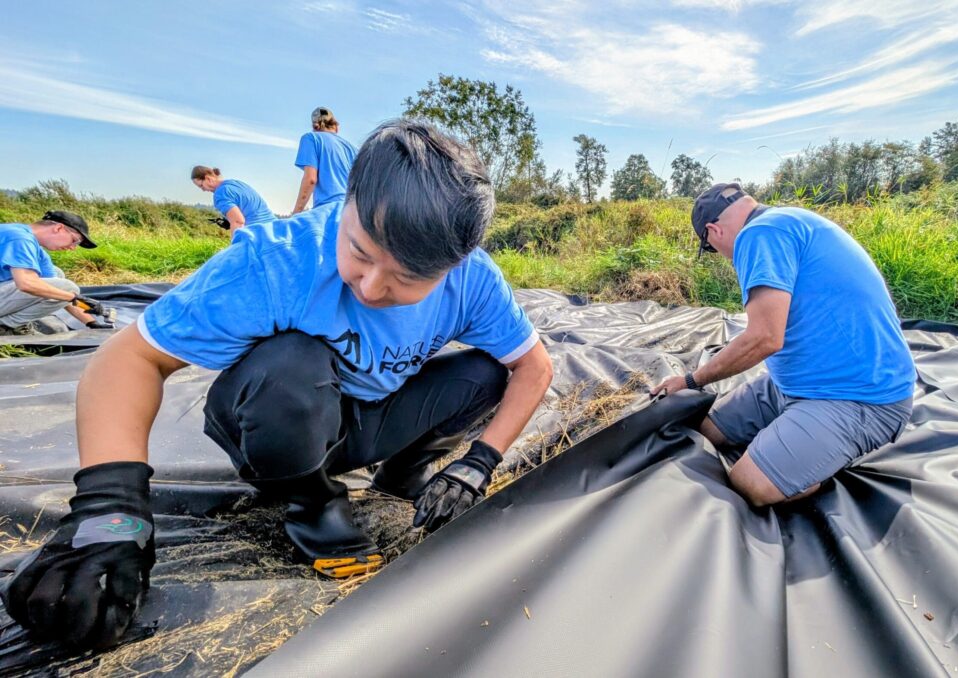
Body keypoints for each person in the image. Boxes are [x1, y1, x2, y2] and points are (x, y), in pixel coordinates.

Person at [2, 120, 553, 650]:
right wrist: (109, 507)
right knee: (293, 358)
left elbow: (536, 367)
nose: (369, 285)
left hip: (364, 417)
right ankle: (311, 505)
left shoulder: (473, 281)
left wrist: (478, 462)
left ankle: (404, 474)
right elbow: (127, 359)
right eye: (359, 252)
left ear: (453, 266)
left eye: (406, 279)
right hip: (274, 419)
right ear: (347, 204)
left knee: (485, 371)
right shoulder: (277, 259)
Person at [650, 183, 915, 507]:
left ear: (712, 231)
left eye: (710, 249)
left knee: (750, 484)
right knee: (707, 431)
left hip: (859, 397)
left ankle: (815, 463)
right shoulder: (784, 221)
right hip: (796, 382)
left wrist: (691, 380)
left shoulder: (758, 235)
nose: (721, 256)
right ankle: (793, 445)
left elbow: (764, 337)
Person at [0, 211, 112, 333]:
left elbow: (57, 294)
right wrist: (74, 297)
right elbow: (26, 284)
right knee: (67, 287)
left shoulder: (34, 246)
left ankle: (11, 323)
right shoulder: (19, 238)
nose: (72, 248)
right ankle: (6, 327)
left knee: (58, 276)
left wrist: (92, 323)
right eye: (75, 241)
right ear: (59, 228)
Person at [291, 107, 358, 214]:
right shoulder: (352, 149)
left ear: (315, 126)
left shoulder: (311, 138)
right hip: (353, 212)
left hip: (327, 212)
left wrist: (296, 213)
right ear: (336, 126)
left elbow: (311, 179)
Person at [191, 167, 275, 238]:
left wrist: (234, 246)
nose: (203, 190)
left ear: (208, 179)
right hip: (275, 229)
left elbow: (238, 221)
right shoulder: (235, 184)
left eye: (201, 186)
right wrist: (229, 221)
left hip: (260, 235)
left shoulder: (220, 193)